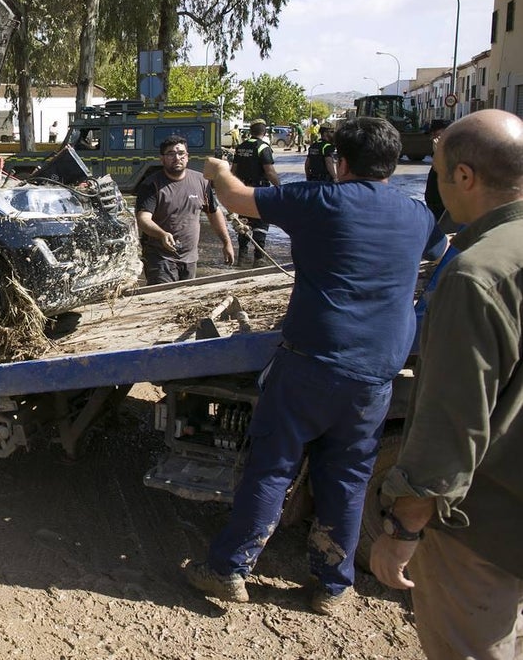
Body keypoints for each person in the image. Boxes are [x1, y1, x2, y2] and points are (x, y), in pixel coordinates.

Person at [186, 117, 446, 616]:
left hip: (311, 363)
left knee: (273, 467)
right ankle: (331, 586)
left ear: (339, 162)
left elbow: (237, 198)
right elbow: (442, 254)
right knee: (347, 478)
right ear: (393, 165)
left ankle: (229, 570)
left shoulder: (320, 199)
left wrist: (217, 170)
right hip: (375, 373)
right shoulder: (417, 215)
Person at [370, 109, 523, 659]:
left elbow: (453, 423)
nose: (436, 187)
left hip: (484, 525)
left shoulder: (476, 274)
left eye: (436, 173)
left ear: (464, 176)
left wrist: (402, 530)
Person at [134, 135, 234, 284]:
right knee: (164, 295)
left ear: (187, 157)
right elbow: (143, 219)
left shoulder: (201, 181)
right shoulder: (151, 185)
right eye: (171, 154)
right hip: (160, 257)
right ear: (162, 159)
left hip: (190, 258)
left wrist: (227, 242)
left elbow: (213, 212)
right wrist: (161, 234)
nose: (177, 158)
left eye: (181, 153)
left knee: (187, 296)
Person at [230, 120, 280, 265]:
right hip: (259, 191)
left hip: (243, 191)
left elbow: (233, 171)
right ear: (264, 132)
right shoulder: (263, 147)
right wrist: (280, 188)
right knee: (261, 224)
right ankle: (259, 258)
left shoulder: (241, 147)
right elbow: (270, 172)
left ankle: (242, 257)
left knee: (243, 223)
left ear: (251, 131)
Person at [421, 119, 452, 222]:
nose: (433, 138)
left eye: (436, 134)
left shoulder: (456, 154)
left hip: (445, 210)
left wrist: (440, 153)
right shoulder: (438, 151)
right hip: (434, 207)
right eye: (432, 135)